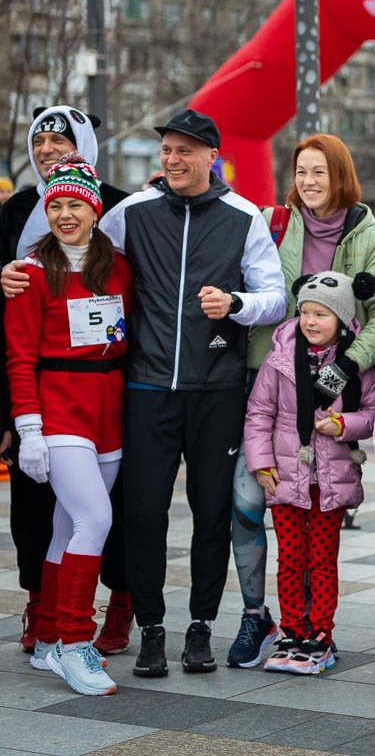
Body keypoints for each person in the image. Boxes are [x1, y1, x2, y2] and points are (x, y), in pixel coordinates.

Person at [2, 109, 289, 677]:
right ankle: (144, 630)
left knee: (211, 514)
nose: (174, 160)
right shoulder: (131, 212)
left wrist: (236, 305)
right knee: (136, 515)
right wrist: (13, 271)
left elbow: (275, 297)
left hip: (214, 388)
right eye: (167, 151)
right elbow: (71, 248)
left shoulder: (243, 216)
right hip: (144, 388)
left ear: (213, 155)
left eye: (186, 151)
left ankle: (199, 626)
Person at [227, 133, 375, 669]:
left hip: (339, 382)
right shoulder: (278, 224)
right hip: (273, 372)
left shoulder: (367, 235)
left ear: (340, 174)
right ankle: (264, 617)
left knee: (320, 543)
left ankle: (316, 628)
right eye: (301, 171)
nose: (309, 182)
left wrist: (347, 366)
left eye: (320, 171)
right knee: (250, 504)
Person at [0, 106, 133, 659]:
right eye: (41, 141)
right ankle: (59, 625)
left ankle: (118, 603)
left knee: (103, 514)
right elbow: (16, 342)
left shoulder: (123, 211)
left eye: (61, 139)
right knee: (58, 515)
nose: (49, 149)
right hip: (46, 400)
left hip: (112, 401)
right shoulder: (18, 215)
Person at [243, 270, 375, 675]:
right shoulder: (280, 357)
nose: (311, 322)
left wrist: (344, 425)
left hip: (332, 480)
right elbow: (259, 413)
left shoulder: (357, 362)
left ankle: (320, 632)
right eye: (305, 312)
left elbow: (374, 415)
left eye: (321, 314)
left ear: (340, 318)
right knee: (290, 559)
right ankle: (290, 631)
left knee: (321, 560)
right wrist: (261, 463)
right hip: (286, 476)